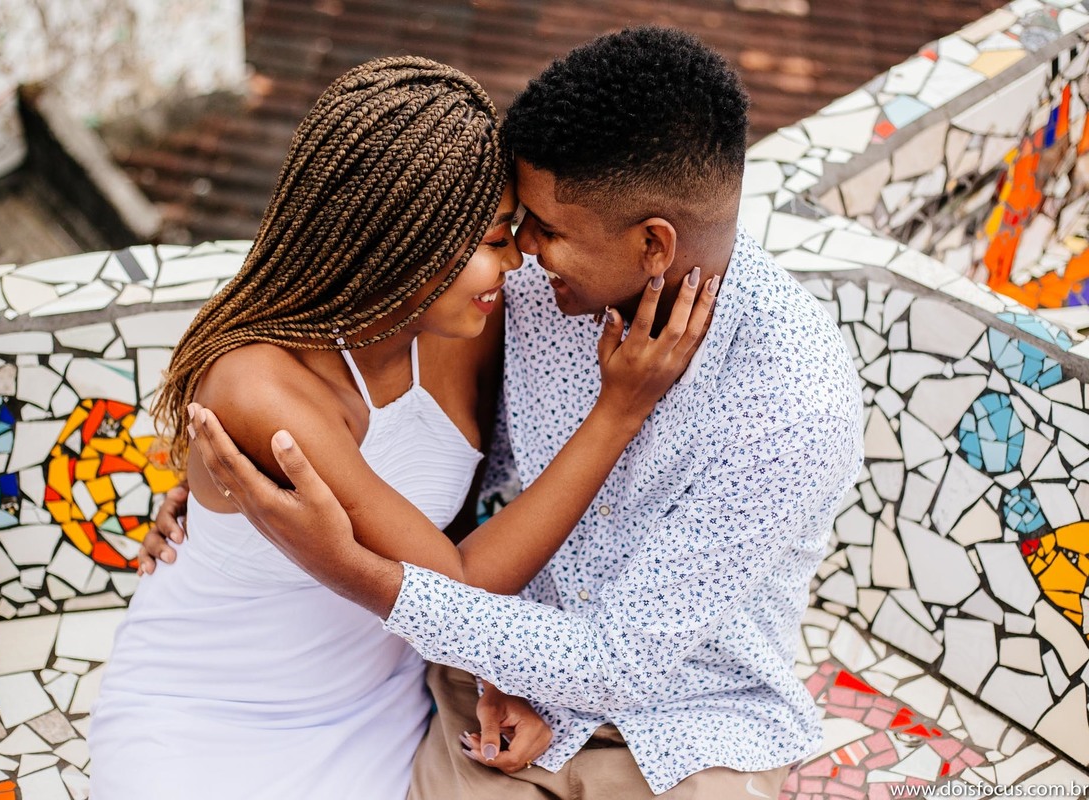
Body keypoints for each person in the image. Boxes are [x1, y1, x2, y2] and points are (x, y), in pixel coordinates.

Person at [177, 26, 865, 800]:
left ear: (653, 246)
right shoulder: (525, 293)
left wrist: (353, 567)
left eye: (544, 228)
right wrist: (220, 484)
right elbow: (443, 453)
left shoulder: (794, 400)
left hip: (693, 720)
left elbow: (618, 662)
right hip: (493, 688)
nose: (521, 249)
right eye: (514, 227)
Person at [89, 55, 715, 799]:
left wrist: (503, 667)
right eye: (492, 242)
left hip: (383, 705)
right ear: (400, 246)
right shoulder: (262, 389)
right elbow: (459, 588)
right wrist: (620, 410)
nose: (518, 258)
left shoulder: (470, 325)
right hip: (210, 713)